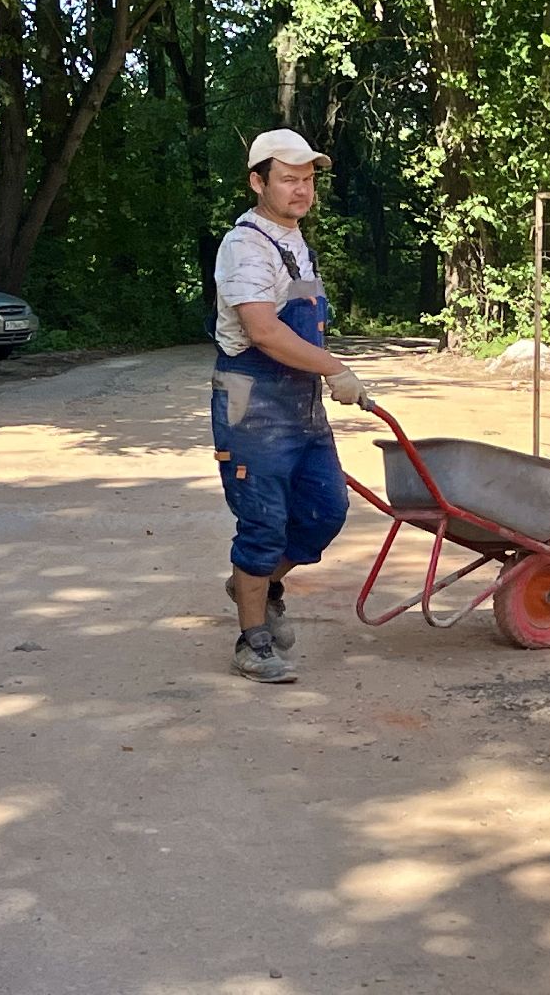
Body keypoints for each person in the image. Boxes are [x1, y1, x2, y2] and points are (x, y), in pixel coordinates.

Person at [209, 128, 369, 683]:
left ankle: (255, 583)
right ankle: (251, 640)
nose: (302, 191)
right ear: (257, 182)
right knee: (263, 523)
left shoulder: (298, 243)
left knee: (325, 511)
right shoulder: (246, 246)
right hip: (252, 404)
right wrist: (336, 369)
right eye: (289, 179)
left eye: (309, 180)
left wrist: (323, 372)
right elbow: (264, 331)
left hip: (300, 405)